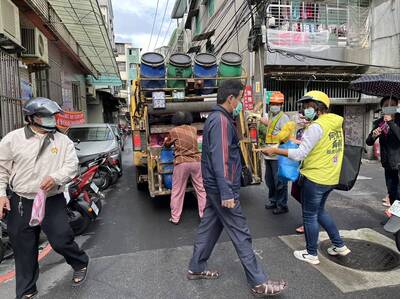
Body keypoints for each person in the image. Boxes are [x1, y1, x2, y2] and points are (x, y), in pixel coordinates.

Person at [187, 80, 287, 296]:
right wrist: (226, 192)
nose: (241, 103)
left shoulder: (217, 119)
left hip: (215, 186)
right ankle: (259, 282)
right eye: (240, 99)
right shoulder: (221, 121)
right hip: (222, 188)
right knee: (240, 232)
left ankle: (196, 267)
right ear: (230, 99)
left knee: (209, 227)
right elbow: (220, 159)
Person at [0, 98, 89, 299]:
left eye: (53, 116)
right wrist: (1, 195)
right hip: (22, 200)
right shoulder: (12, 139)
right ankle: (26, 290)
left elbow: (71, 166)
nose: (51, 120)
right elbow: (1, 169)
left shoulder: (62, 140)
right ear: (31, 118)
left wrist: (56, 177)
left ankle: (80, 262)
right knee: (23, 247)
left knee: (61, 239)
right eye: (45, 116)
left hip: (51, 199)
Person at [262, 91, 350, 265]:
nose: (305, 110)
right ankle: (339, 245)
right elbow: (319, 146)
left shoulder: (316, 127)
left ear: (318, 107)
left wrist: (276, 150)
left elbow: (300, 154)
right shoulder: (334, 123)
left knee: (310, 215)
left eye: (309, 106)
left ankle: (311, 253)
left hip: (316, 177)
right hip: (330, 176)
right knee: (320, 212)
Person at [164, 111, 206, 224]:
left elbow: (167, 145)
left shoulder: (174, 131)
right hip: (197, 162)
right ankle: (204, 215)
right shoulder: (193, 129)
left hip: (182, 162)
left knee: (178, 190)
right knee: (201, 189)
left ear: (176, 120)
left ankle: (175, 218)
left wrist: (166, 142)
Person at [366, 97, 400, 208]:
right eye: (386, 106)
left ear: (396, 107)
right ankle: (393, 219)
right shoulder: (380, 122)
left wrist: (390, 122)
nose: (388, 108)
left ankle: (397, 221)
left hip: (399, 163)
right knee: (391, 191)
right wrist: (374, 135)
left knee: (399, 194)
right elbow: (369, 141)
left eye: (391, 105)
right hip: (387, 163)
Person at [260, 92, 290, 215]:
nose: (274, 106)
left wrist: (276, 148)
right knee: (270, 180)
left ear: (281, 105)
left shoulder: (284, 118)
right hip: (269, 154)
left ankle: (282, 205)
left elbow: (286, 137)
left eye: (277, 104)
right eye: (272, 104)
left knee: (280, 182)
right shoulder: (272, 116)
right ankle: (273, 200)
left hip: (278, 155)